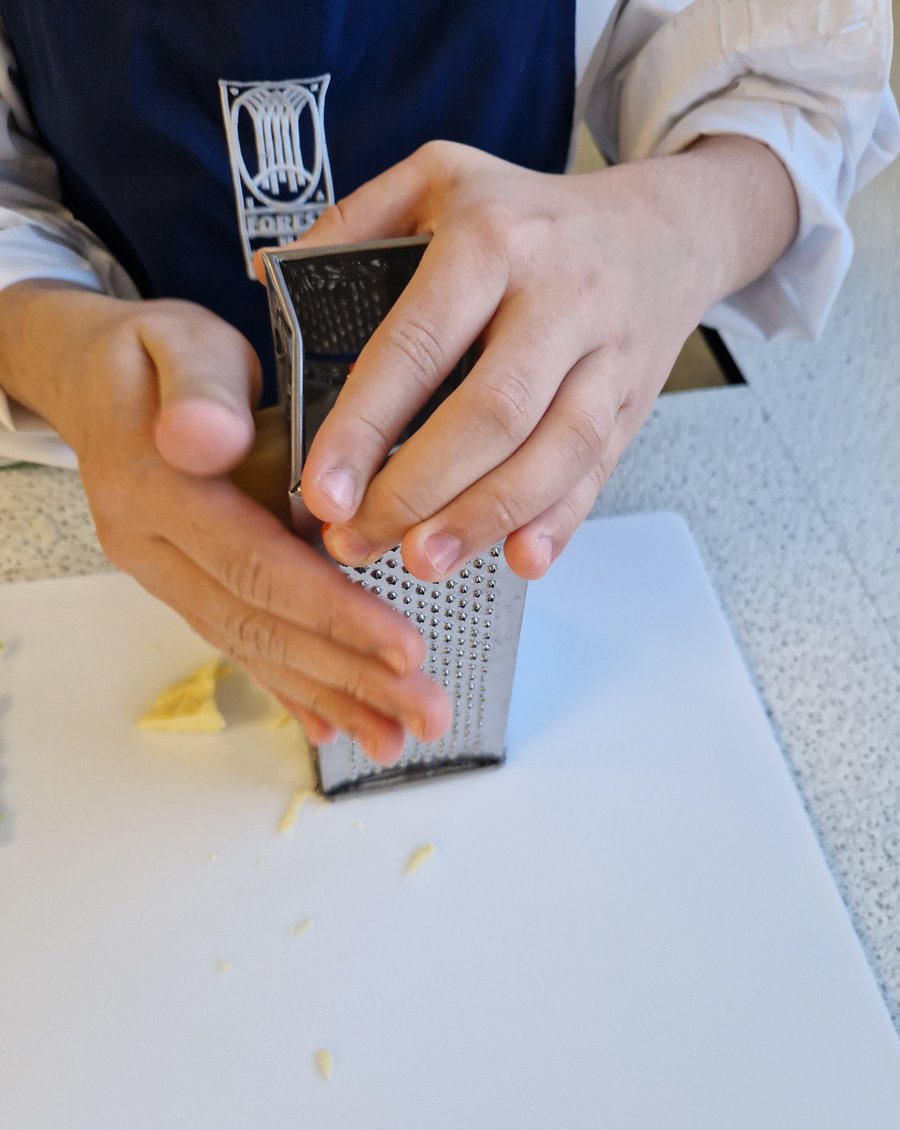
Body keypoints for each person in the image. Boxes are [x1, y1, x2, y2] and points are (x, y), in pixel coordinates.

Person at [0, 2, 897, 764]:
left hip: (513, 479)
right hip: (90, 486)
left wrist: (669, 230)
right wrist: (48, 349)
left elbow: (798, 87)